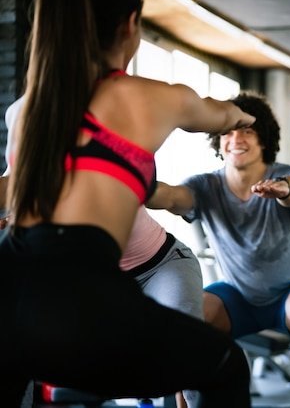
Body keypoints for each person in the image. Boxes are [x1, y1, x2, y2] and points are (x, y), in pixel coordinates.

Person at [0, 0, 257, 407]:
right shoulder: (151, 97)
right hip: (77, 284)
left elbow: (12, 186)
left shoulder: (25, 109)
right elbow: (222, 114)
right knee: (225, 364)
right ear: (130, 26)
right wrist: (244, 118)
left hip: (10, 275)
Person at [2, 97, 203, 408]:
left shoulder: (108, 114)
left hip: (160, 265)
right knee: (20, 344)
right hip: (93, 281)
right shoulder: (21, 113)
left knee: (188, 355)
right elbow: (14, 182)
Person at [147, 91, 290, 408]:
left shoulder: (289, 175)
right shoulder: (205, 186)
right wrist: (130, 176)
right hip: (238, 298)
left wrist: (283, 189)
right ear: (219, 142)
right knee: (187, 324)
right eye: (228, 132)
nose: (236, 139)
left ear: (264, 139)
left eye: (246, 130)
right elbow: (167, 197)